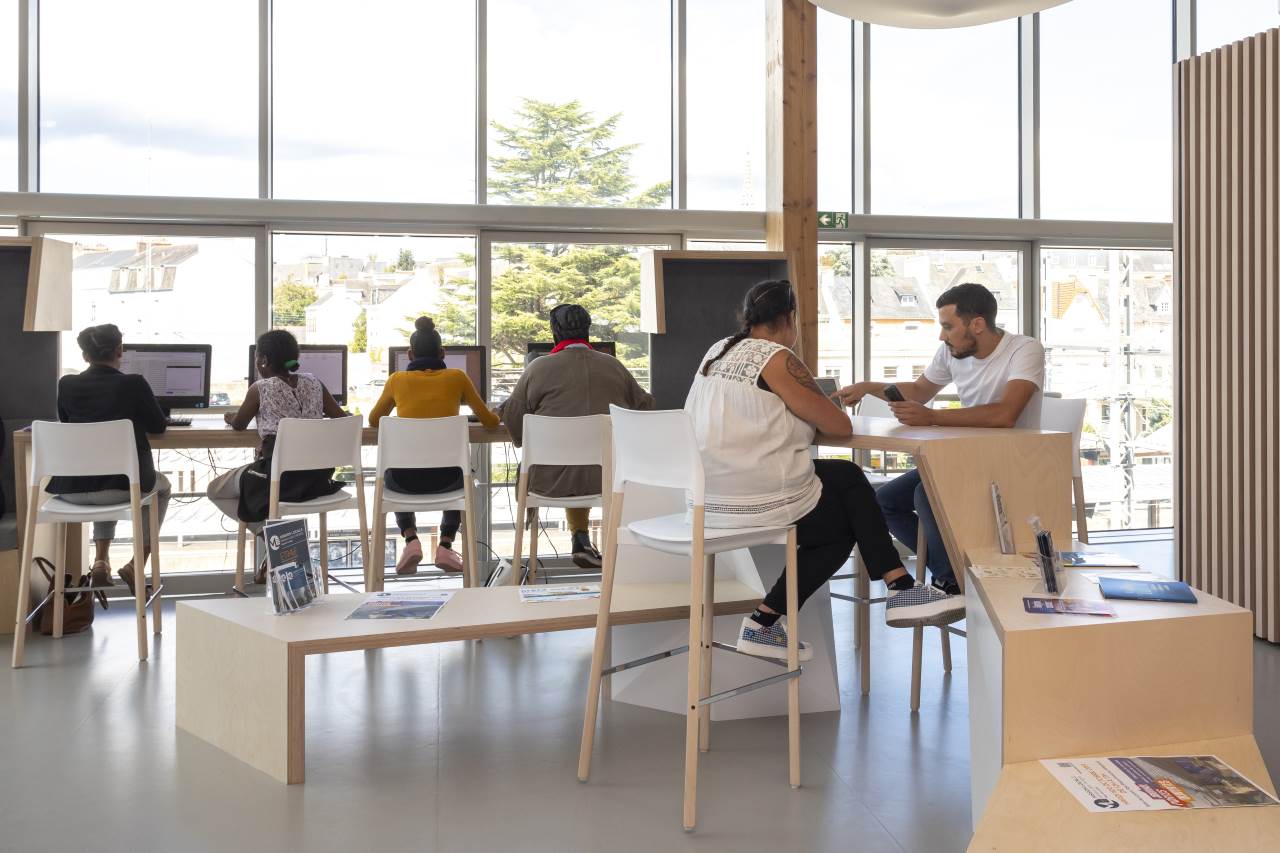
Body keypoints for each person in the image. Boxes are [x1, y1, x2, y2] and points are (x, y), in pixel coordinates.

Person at [684, 280, 915, 662]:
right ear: (791, 318)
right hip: (750, 496)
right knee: (844, 517)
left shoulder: (717, 350)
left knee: (845, 480)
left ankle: (768, 621)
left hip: (705, 494)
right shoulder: (777, 358)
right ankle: (898, 586)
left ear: (746, 317)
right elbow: (840, 427)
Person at [839, 282, 1045, 625]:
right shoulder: (952, 352)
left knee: (925, 492)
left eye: (948, 326)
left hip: (1010, 460)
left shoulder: (1024, 350)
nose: (941, 336)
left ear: (976, 324)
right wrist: (868, 387)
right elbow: (920, 390)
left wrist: (933, 417)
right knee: (885, 501)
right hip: (962, 456)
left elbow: (1005, 414)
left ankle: (950, 584)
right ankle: (951, 576)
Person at [501, 304, 654, 570]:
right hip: (607, 479)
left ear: (554, 333)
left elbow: (516, 425)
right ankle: (582, 540)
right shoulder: (614, 366)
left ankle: (577, 539)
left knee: (569, 462)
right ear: (588, 331)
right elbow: (646, 408)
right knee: (590, 460)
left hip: (548, 482)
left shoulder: (537, 369)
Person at [207, 329, 347, 583]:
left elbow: (239, 423)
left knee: (215, 489)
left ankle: (277, 542)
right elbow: (343, 420)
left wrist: (229, 416)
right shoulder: (315, 383)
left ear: (262, 361)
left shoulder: (260, 388)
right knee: (256, 479)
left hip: (279, 479)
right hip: (318, 480)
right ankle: (281, 545)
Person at [368, 317, 499, 575]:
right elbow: (490, 422)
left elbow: (374, 420)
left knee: (393, 468)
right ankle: (446, 544)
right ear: (443, 354)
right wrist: (498, 413)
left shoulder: (396, 380)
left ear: (409, 354)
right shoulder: (457, 377)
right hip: (447, 481)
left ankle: (411, 540)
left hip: (403, 483)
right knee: (462, 472)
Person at [50, 323, 171, 594]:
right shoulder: (134, 383)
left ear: (84, 356)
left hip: (71, 492)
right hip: (118, 489)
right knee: (158, 487)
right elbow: (158, 426)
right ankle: (136, 564)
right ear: (120, 351)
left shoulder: (66, 385)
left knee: (107, 473)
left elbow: (68, 424)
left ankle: (101, 560)